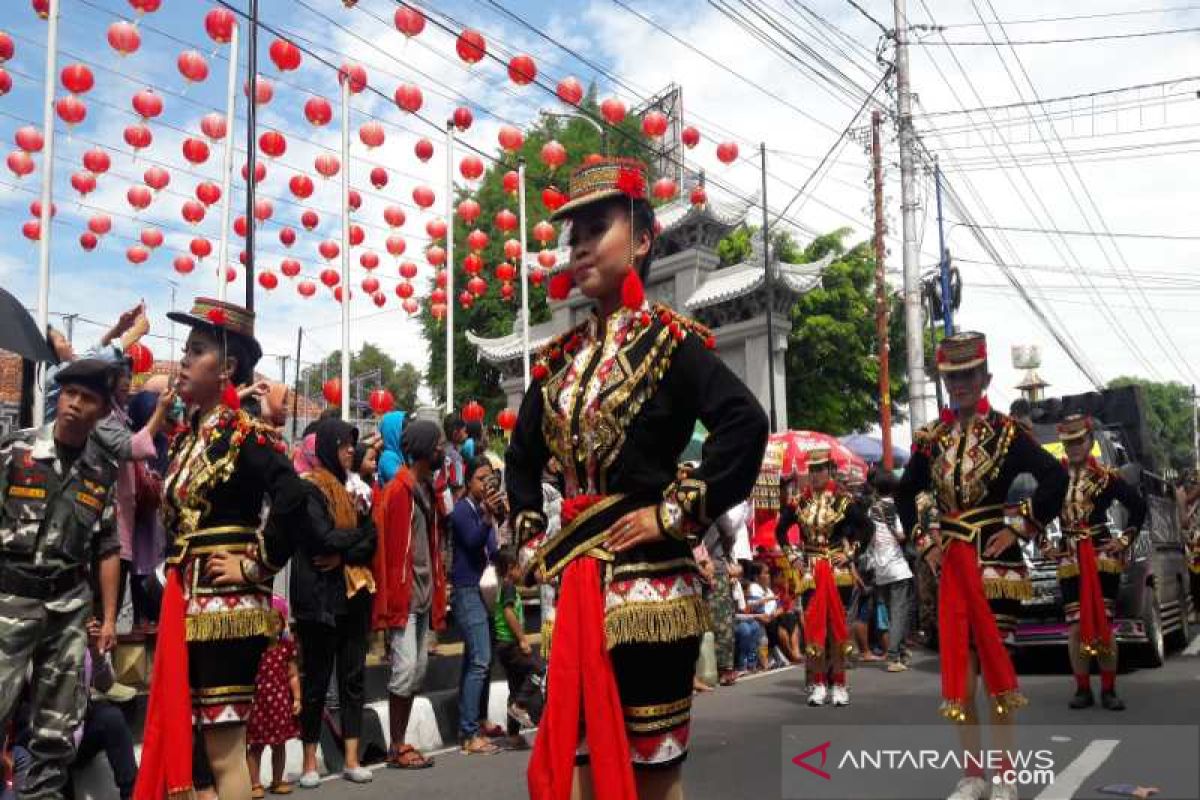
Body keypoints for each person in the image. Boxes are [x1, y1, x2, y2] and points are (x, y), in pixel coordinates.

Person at [505, 157, 768, 800]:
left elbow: (745, 423)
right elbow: (520, 458)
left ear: (644, 240)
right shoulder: (559, 366)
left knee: (653, 774)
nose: (581, 245)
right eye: (574, 235)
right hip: (580, 593)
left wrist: (674, 514)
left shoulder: (671, 345)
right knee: (588, 769)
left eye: (598, 228)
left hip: (651, 597)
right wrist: (532, 531)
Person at [135, 298, 315, 800]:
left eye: (196, 350)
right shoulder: (190, 436)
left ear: (228, 367)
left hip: (224, 607)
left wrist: (255, 564)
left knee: (223, 749)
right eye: (186, 350)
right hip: (185, 601)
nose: (184, 361)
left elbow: (293, 498)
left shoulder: (244, 435)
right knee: (194, 749)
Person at [894, 331, 1068, 800]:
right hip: (951, 563)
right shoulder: (931, 440)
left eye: (969, 375)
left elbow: (1056, 476)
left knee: (994, 669)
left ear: (986, 378)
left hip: (996, 566)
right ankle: (973, 775)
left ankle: (1006, 775)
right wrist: (925, 540)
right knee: (962, 672)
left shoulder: (1009, 434)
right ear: (946, 382)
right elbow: (904, 493)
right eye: (953, 376)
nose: (962, 384)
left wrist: (1021, 526)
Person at [0, 360, 134, 800]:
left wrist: (110, 617)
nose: (75, 405)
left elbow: (108, 548)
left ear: (101, 411)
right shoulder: (15, 451)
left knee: (56, 732)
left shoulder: (102, 471)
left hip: (69, 611)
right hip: (10, 602)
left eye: (88, 398)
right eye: (71, 394)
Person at [293, 418, 377, 787]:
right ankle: (310, 761)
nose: (349, 450)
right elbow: (320, 538)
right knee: (316, 680)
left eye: (351, 444)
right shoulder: (310, 490)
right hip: (321, 599)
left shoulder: (358, 490)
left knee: (353, 678)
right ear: (327, 446)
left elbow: (371, 540)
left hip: (353, 594)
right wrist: (354, 539)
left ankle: (352, 758)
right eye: (342, 443)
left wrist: (346, 552)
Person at [1051, 413, 1146, 711]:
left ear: (1090, 441)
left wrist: (1123, 540)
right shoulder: (1054, 479)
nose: (1074, 447)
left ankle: (1108, 689)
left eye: (1079, 441)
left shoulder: (1107, 477)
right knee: (1076, 626)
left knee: (1104, 623)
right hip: (1069, 558)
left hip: (1100, 557)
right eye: (1069, 442)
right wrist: (1044, 544)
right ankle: (1082, 689)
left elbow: (1138, 506)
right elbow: (1036, 513)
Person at [371, 419, 446, 771]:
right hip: (404, 598)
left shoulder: (426, 490)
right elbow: (385, 549)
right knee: (404, 671)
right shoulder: (398, 491)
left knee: (417, 672)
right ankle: (396, 745)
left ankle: (397, 743)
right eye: (438, 445)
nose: (442, 451)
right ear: (425, 449)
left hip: (423, 596)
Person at [777, 450, 869, 707]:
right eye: (812, 469)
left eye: (820, 469)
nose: (816, 474)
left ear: (829, 469)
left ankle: (839, 683)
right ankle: (818, 683)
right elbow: (780, 531)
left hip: (837, 572)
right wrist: (793, 556)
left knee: (837, 626)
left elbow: (866, 527)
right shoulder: (799, 502)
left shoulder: (843, 500)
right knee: (814, 628)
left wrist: (851, 554)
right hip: (811, 571)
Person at [450, 458, 503, 755]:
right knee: (481, 659)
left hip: (483, 590)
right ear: (469, 482)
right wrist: (486, 518)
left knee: (477, 659)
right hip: (467, 590)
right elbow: (471, 541)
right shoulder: (462, 511)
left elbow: (492, 548)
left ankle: (475, 722)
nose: (487, 484)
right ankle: (469, 733)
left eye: (490, 479)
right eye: (482, 479)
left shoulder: (485, 511)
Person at [67, 620, 138, 800]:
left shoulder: (85, 641)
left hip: (81, 726)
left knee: (111, 717)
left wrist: (94, 650)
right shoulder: (42, 632)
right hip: (48, 732)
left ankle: (133, 793)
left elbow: (106, 684)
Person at [43, 303, 144, 421]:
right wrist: (136, 333)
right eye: (63, 341)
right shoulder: (53, 377)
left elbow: (92, 353)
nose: (69, 344)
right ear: (49, 350)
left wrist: (120, 328)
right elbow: (91, 361)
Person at [246, 597, 301, 798]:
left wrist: (297, 699)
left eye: (275, 622)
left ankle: (277, 780)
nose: (271, 627)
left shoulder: (287, 648)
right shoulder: (253, 650)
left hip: (280, 706)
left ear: (282, 623)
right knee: (255, 746)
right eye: (266, 622)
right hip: (257, 706)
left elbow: (293, 675)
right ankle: (254, 783)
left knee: (279, 745)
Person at [492, 547, 544, 749]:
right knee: (539, 669)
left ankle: (513, 735)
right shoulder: (508, 588)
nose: (522, 571)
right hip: (510, 643)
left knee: (515, 685)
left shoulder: (504, 587)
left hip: (503, 646)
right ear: (510, 569)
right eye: (519, 567)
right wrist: (522, 639)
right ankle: (521, 704)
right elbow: (509, 613)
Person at [867, 491, 914, 672]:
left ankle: (901, 651)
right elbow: (901, 536)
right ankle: (894, 656)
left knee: (892, 613)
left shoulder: (870, 511)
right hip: (897, 568)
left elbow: (869, 539)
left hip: (881, 570)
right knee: (898, 614)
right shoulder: (892, 508)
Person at [375, 411, 407, 487]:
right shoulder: (388, 458)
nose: (408, 433)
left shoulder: (400, 454)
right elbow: (403, 484)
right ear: (394, 432)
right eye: (404, 430)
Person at [443, 415, 468, 501]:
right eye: (464, 432)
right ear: (455, 433)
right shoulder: (456, 457)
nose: (466, 435)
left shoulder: (442, 449)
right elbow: (459, 488)